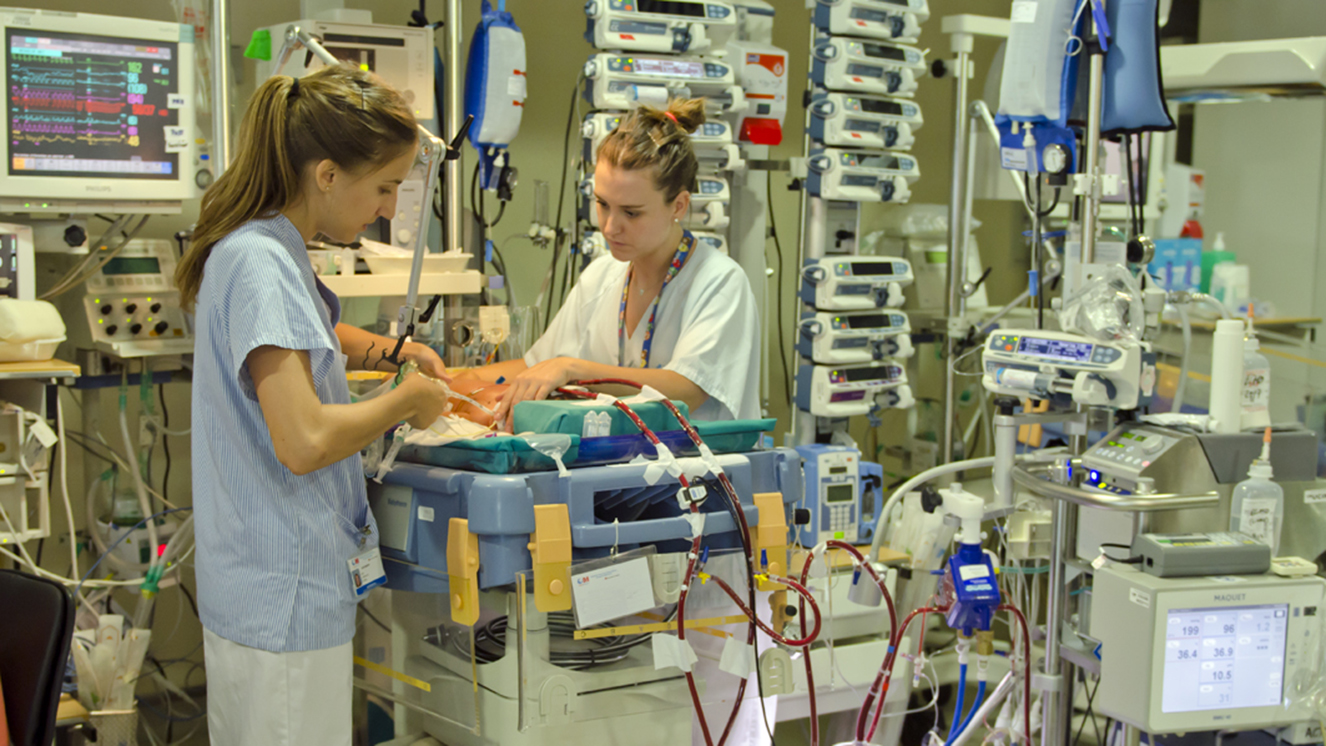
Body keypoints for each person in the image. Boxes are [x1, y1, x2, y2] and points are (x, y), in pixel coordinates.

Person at [174, 65, 452, 746]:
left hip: (264, 594)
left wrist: (390, 352)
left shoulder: (261, 245)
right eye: (384, 186)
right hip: (284, 600)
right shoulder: (261, 262)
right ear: (327, 175)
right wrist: (408, 400)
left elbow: (303, 338)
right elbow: (303, 441)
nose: (387, 208)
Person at [454, 98, 761, 430]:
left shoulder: (719, 281)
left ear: (679, 205)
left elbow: (687, 389)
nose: (611, 227)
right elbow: (536, 367)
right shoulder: (601, 277)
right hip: (623, 461)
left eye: (631, 212)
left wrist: (574, 369)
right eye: (602, 204)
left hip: (702, 462)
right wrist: (459, 379)